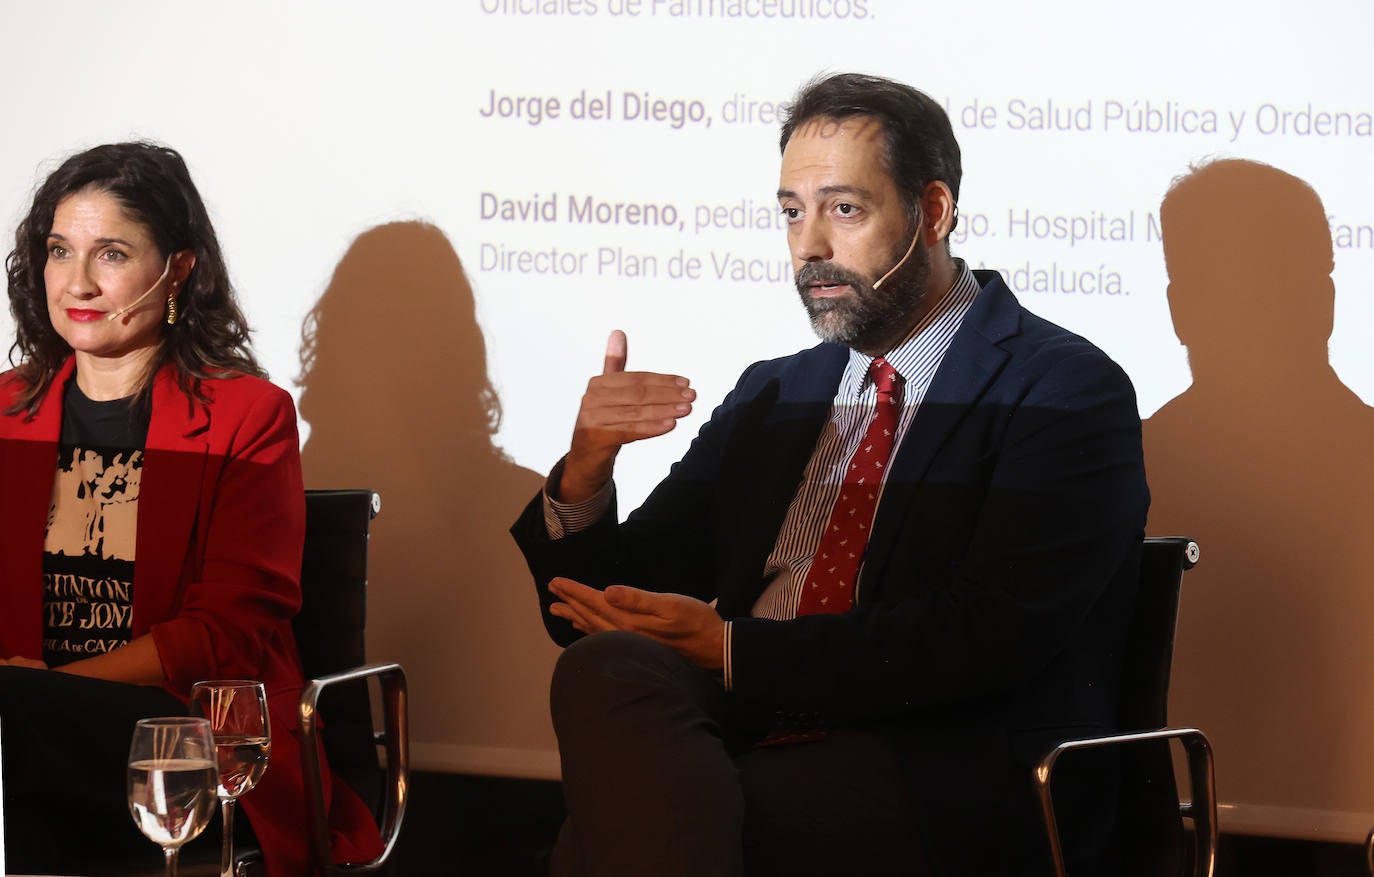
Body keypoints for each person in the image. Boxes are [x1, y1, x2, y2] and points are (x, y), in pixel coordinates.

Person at [512, 73, 1149, 875]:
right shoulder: (778, 391)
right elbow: (598, 610)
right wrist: (586, 467)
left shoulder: (1059, 389)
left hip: (940, 762)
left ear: (933, 213)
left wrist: (736, 650)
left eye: (843, 209)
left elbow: (989, 637)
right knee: (604, 666)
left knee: (604, 840)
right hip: (750, 731)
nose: (809, 245)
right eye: (791, 212)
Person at [0, 142, 382, 875]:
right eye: (58, 250)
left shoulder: (248, 416)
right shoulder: (7, 412)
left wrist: (46, 686)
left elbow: (223, 636)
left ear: (177, 268)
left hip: (190, 736)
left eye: (110, 253)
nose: (75, 281)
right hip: (23, 726)